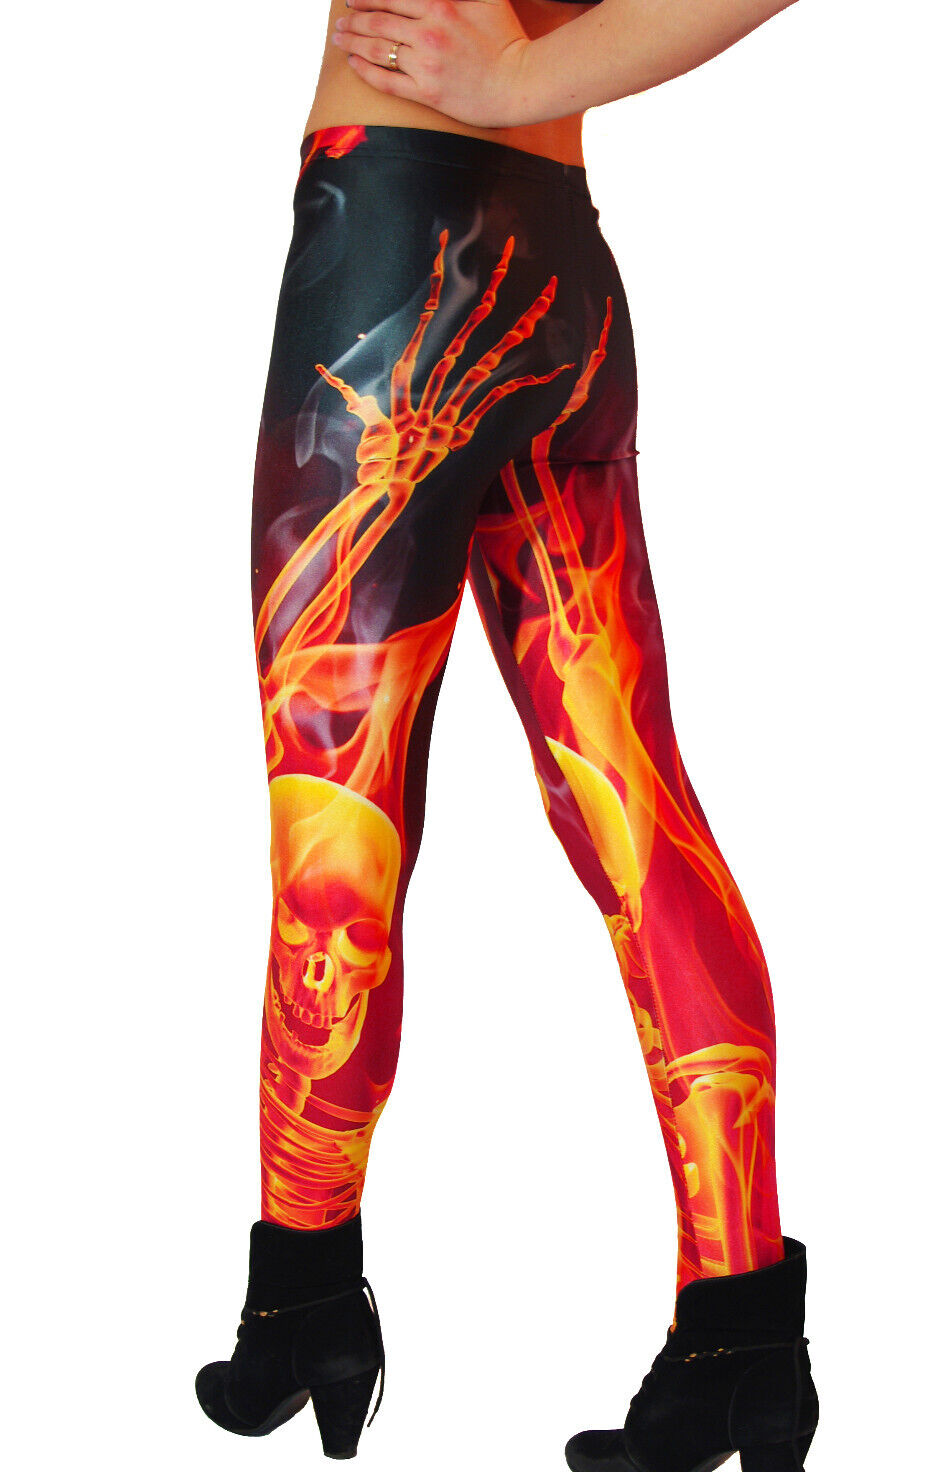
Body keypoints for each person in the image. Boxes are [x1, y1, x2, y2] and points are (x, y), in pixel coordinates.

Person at [195, 4, 819, 1469]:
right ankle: (740, 1330)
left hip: (383, 275)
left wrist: (522, 70)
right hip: (555, 277)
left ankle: (304, 1292)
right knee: (639, 816)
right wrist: (534, 82)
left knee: (337, 829)